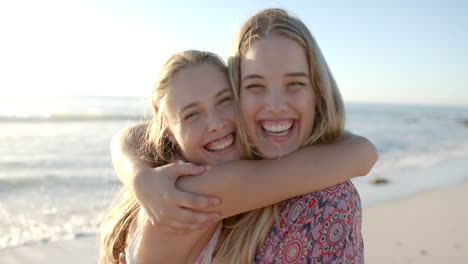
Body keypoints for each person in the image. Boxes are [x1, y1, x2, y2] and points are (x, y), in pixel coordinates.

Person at [103, 8, 378, 264]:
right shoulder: (184, 195)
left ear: (318, 90)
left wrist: (135, 170)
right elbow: (355, 157)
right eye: (255, 86)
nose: (215, 123)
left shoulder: (236, 185)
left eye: (224, 101)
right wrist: (360, 153)